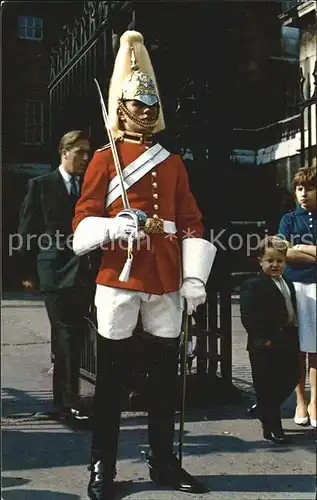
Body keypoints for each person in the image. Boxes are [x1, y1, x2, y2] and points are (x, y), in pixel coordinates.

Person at [72, 31, 217, 499]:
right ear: (122, 108)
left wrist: (193, 277)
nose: (148, 113)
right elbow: (81, 224)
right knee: (111, 383)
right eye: (139, 105)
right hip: (119, 275)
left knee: (163, 384)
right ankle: (103, 467)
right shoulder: (102, 159)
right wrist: (116, 227)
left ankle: (163, 462)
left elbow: (191, 220)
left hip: (166, 279)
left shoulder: (172, 163)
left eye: (153, 106)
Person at [18, 130, 94, 422]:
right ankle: (69, 402)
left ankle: (65, 401)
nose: (86, 158)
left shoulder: (90, 185)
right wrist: (27, 273)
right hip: (53, 270)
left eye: (88, 152)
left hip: (84, 271)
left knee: (73, 336)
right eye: (80, 152)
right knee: (66, 334)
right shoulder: (40, 185)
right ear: (64, 152)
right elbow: (26, 231)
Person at [240, 236, 300, 444]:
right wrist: (262, 339)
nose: (275, 265)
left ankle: (263, 409)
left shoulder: (288, 284)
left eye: (279, 261)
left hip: (287, 340)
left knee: (292, 376)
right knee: (267, 386)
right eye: (270, 260)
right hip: (265, 345)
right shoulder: (253, 285)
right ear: (261, 261)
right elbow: (248, 316)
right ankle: (273, 428)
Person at [278, 166, 316, 428]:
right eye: (300, 188)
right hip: (297, 287)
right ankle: (300, 400)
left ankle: (315, 402)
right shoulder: (289, 220)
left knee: (316, 349)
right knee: (297, 348)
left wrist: (303, 247)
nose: (303, 194)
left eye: (310, 188)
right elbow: (284, 253)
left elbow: (294, 250)